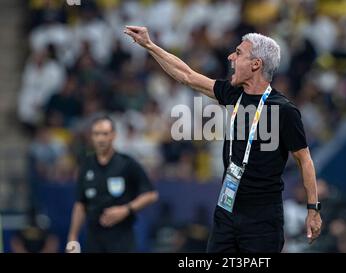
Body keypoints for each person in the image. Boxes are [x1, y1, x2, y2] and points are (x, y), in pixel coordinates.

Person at [124, 26, 321, 252]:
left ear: (256, 64)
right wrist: (150, 45)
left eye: (238, 53)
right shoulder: (233, 93)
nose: (230, 57)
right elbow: (187, 75)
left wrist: (313, 209)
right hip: (226, 209)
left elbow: (304, 159)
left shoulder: (283, 110)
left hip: (262, 218)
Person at [66, 115, 158, 253]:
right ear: (91, 137)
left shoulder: (126, 163)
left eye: (105, 134)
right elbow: (80, 204)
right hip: (94, 238)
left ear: (113, 135)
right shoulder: (86, 166)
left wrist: (126, 209)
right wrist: (72, 236)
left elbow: (151, 194)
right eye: (97, 134)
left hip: (121, 237)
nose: (101, 139)